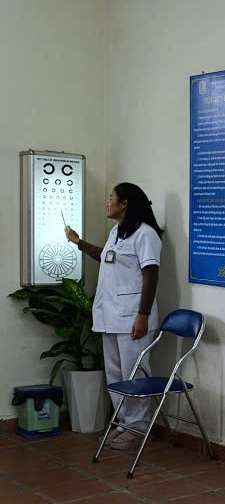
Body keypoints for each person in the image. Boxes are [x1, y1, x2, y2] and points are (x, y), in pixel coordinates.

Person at [66, 183, 163, 450]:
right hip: (110, 315)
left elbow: (151, 276)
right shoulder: (117, 232)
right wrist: (78, 242)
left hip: (133, 317)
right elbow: (106, 256)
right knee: (115, 374)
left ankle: (139, 428)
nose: (107, 202)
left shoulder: (146, 234)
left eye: (111, 198)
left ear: (124, 204)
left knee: (135, 373)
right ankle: (123, 423)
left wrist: (143, 315)